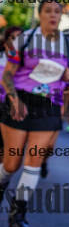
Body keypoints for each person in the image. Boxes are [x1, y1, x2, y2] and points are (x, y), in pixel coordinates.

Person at [0, 0, 69, 227]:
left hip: (48, 106)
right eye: (48, 11)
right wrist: (14, 100)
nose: (53, 15)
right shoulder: (24, 40)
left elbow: (67, 80)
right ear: (40, 14)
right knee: (11, 164)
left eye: (57, 11)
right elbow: (7, 75)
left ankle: (17, 218)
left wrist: (68, 81)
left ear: (61, 16)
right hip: (20, 101)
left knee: (33, 163)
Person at [0, 27, 24, 166]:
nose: (16, 42)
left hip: (12, 106)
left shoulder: (26, 62)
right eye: (13, 38)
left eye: (19, 39)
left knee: (7, 148)